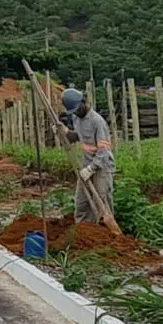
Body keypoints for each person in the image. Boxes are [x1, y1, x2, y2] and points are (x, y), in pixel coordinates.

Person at [62, 88, 114, 224]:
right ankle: (83, 232)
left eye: (77, 109)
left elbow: (104, 151)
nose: (76, 113)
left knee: (102, 202)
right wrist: (65, 132)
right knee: (81, 203)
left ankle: (106, 233)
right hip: (85, 166)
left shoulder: (97, 121)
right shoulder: (76, 118)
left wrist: (92, 168)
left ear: (83, 102)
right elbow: (77, 137)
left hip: (101, 167)